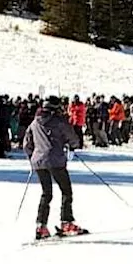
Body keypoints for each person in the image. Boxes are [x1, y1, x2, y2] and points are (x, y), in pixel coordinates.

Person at [23, 96, 86, 240]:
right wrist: (72, 146)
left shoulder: (34, 122)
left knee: (46, 193)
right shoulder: (58, 121)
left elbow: (27, 144)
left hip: (39, 162)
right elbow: (72, 138)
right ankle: (66, 222)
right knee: (66, 191)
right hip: (55, 160)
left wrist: (32, 157)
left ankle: (41, 226)